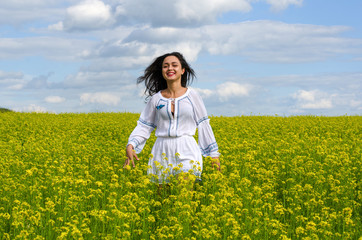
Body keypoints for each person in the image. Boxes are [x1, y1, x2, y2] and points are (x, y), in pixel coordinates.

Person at [124, 52, 220, 183]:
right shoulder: (156, 99)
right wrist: (132, 144)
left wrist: (213, 154)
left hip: (187, 149)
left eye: (174, 65)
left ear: (182, 70)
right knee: (162, 198)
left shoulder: (193, 96)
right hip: (162, 150)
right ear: (162, 71)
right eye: (165, 66)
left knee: (184, 195)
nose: (170, 68)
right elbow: (144, 126)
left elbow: (203, 124)